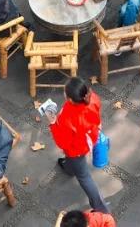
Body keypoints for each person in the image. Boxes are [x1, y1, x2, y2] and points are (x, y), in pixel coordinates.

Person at [47, 77, 110, 213]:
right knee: (76, 165)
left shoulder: (68, 117)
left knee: (84, 177)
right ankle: (69, 168)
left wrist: (53, 123)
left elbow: (62, 142)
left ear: (70, 99)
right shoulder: (92, 98)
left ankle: (101, 207)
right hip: (90, 138)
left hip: (75, 149)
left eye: (65, 91)